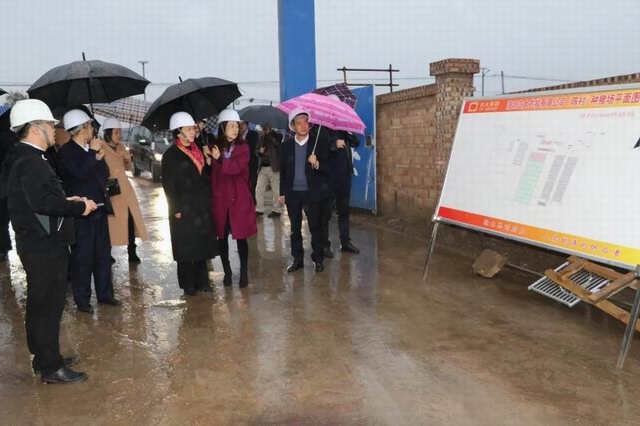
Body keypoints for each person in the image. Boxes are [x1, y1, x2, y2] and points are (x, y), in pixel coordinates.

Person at [4, 99, 96, 383]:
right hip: (43, 245)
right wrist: (79, 207)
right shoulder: (31, 161)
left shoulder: (26, 157)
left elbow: (39, 199)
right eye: (49, 124)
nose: (55, 130)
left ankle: (44, 357)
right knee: (48, 305)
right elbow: (42, 203)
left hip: (38, 241)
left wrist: (65, 199)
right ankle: (50, 367)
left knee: (41, 302)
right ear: (35, 128)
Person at [58, 109, 119, 313]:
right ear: (83, 127)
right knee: (82, 257)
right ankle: (82, 300)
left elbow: (104, 175)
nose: (93, 129)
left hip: (100, 209)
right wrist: (92, 154)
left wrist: (99, 158)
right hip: (81, 214)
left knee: (103, 255)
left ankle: (105, 294)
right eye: (90, 125)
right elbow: (80, 174)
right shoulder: (66, 152)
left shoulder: (90, 149)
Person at [161, 111, 218, 295]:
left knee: (201, 243)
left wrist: (208, 161)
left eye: (193, 128)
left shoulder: (198, 149)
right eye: (188, 129)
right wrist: (175, 208)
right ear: (178, 132)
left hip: (201, 205)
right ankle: (188, 284)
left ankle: (203, 281)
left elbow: (205, 176)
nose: (193, 132)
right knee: (186, 246)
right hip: (183, 207)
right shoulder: (171, 155)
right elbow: (168, 185)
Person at [278, 108, 332, 273]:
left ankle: (318, 259)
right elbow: (283, 172)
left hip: (312, 193)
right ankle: (298, 260)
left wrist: (317, 163)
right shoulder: (286, 146)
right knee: (295, 229)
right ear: (293, 126)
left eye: (305, 122)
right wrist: (282, 192)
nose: (303, 126)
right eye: (299, 123)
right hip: (293, 194)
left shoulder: (318, 143)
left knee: (315, 228)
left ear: (309, 125)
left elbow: (328, 168)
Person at [209, 109, 257, 287]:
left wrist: (220, 158)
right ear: (223, 128)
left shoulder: (243, 147)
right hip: (221, 199)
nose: (235, 129)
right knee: (222, 237)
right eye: (231, 126)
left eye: (237, 126)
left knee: (241, 237)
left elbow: (236, 168)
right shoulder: (215, 147)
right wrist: (209, 162)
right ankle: (227, 272)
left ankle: (243, 272)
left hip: (239, 197)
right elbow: (212, 175)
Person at [100, 118, 148, 263]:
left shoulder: (121, 147)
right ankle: (107, 253)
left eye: (120, 132)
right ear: (108, 133)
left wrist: (128, 161)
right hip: (111, 191)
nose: (119, 135)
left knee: (130, 220)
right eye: (116, 132)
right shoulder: (100, 147)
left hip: (125, 190)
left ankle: (132, 252)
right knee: (111, 223)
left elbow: (128, 168)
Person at [324, 129, 360, 255]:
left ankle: (345, 242)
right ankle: (324, 244)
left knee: (344, 210)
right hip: (329, 177)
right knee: (326, 212)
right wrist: (334, 145)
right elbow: (318, 148)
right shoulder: (321, 129)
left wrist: (350, 131)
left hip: (345, 176)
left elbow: (356, 142)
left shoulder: (344, 130)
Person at [255, 123, 282, 218]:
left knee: (276, 190)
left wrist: (269, 134)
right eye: (263, 127)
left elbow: (277, 143)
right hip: (262, 167)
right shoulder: (261, 137)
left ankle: (277, 210)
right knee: (259, 189)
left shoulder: (278, 135)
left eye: (266, 127)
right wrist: (259, 151)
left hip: (273, 167)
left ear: (270, 126)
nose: (264, 128)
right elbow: (256, 151)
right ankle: (259, 209)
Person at [239, 120, 259, 202]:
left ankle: (252, 199)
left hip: (251, 161)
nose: (241, 126)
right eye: (240, 124)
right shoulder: (237, 135)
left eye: (243, 124)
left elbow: (253, 147)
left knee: (252, 181)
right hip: (241, 163)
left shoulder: (254, 134)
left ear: (247, 125)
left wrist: (243, 141)